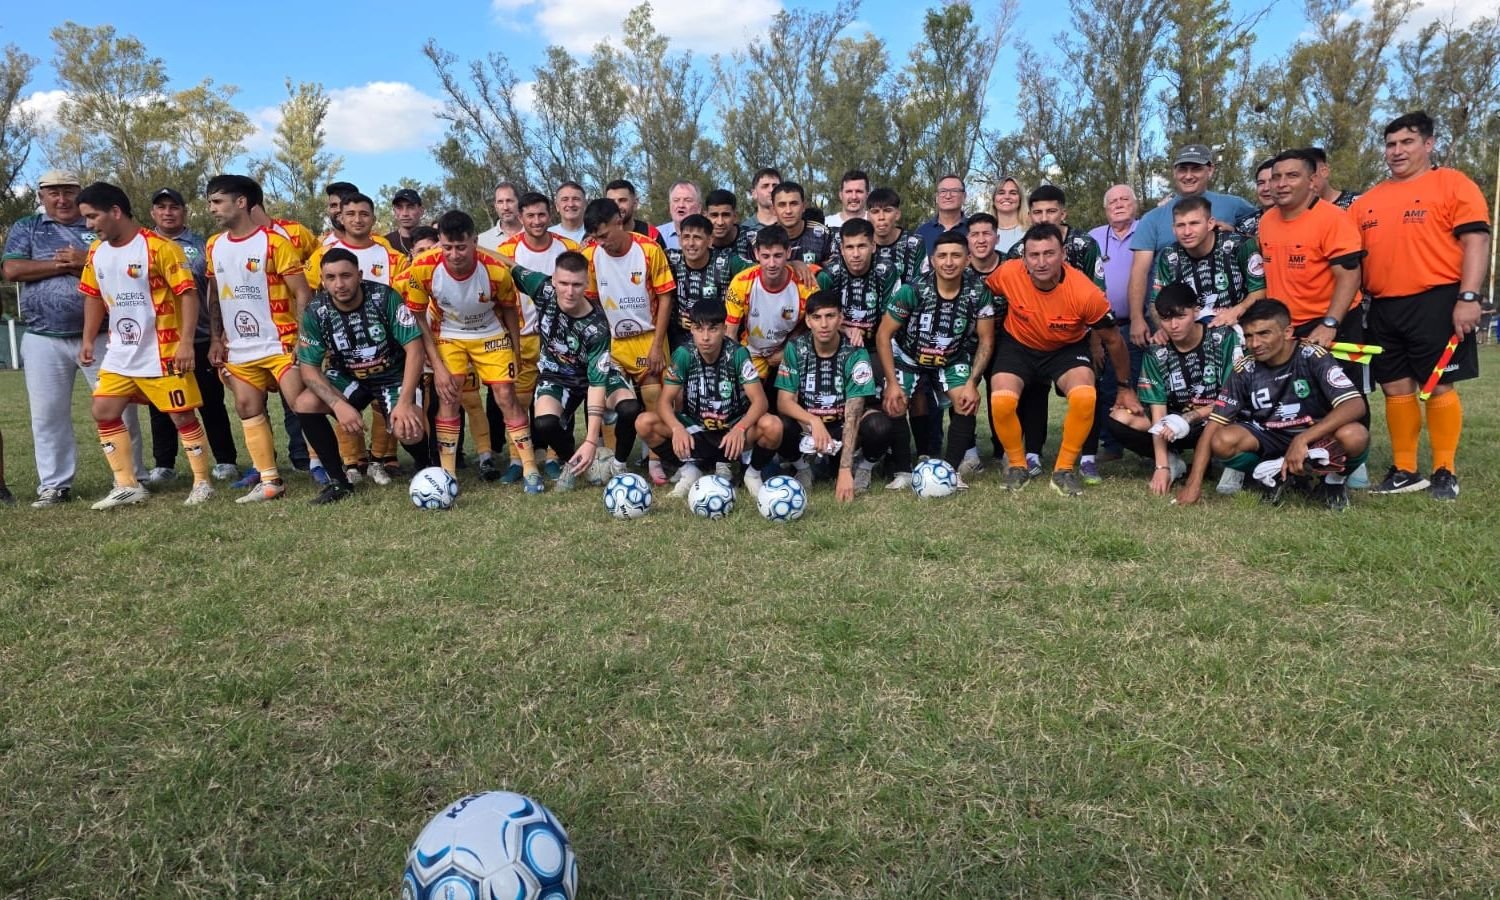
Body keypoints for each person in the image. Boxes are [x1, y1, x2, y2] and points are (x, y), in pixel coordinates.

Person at [1351, 110, 1492, 500]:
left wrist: (1469, 297)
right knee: (1396, 387)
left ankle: (1445, 469)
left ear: (1428, 144)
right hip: (1383, 306)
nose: (1397, 151)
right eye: (1391, 144)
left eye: (1407, 142)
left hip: (1438, 299)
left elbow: (1476, 241)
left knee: (1438, 385)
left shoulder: (1451, 184)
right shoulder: (1369, 201)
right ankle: (1405, 469)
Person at [3, 169, 146, 507]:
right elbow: (12, 270)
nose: (62, 199)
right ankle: (54, 485)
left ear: (80, 194)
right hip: (42, 335)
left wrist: (85, 260)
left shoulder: (97, 223)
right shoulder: (28, 227)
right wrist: (64, 265)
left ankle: (131, 476)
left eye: (68, 191)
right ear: (41, 197)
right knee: (48, 414)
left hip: (102, 334)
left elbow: (127, 262)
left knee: (121, 408)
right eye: (53, 192)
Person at [74, 181, 215, 509]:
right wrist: (87, 338)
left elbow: (188, 294)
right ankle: (127, 485)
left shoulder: (159, 247)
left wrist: (185, 344)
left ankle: (202, 482)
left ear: (116, 212)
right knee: (103, 410)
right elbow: (93, 296)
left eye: (93, 217)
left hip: (162, 351)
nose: (88, 225)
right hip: (120, 351)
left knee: (181, 416)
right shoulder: (96, 252)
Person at [986, 224, 1137, 496]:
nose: (1041, 262)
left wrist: (1125, 387)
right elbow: (980, 292)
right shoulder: (1008, 274)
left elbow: (1114, 340)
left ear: (1063, 254)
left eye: (1049, 253)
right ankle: (1018, 465)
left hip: (1065, 348)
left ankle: (1064, 470)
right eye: (1034, 255)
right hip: (1018, 345)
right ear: (1024, 258)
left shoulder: (1085, 292)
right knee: (1002, 400)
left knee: (1084, 396)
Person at [1175, 299, 1368, 511]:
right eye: (1249, 336)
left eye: (1264, 333)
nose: (1254, 344)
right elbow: (1213, 425)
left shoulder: (1312, 355)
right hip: (1271, 437)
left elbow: (1355, 405)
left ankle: (1333, 482)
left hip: (1314, 436)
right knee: (1221, 440)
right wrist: (1194, 485)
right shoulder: (1245, 368)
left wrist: (1303, 439)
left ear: (1287, 332)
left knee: (1355, 435)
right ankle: (1275, 474)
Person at [403, 211, 541, 492]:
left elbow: (508, 309)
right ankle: (447, 475)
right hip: (449, 335)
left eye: (461, 247)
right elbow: (418, 318)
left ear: (475, 242)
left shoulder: (496, 270)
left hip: (489, 333)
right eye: (447, 247)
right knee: (449, 394)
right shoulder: (422, 268)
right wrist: (438, 367)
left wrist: (515, 348)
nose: (454, 254)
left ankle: (529, 467)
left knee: (505, 395)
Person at [203, 174, 316, 502]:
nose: (212, 209)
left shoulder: (274, 242)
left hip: (280, 342)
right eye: (210, 202)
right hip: (239, 346)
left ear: (241, 202)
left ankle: (327, 466)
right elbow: (214, 295)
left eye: (217, 201)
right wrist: (215, 338)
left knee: (302, 404)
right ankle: (269, 481)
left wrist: (303, 337)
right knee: (246, 405)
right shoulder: (214, 244)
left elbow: (303, 293)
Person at [292, 248, 430, 504]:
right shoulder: (316, 310)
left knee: (407, 428)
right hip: (348, 375)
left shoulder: (384, 297)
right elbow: (309, 367)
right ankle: (339, 482)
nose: (339, 284)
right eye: (331, 278)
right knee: (304, 403)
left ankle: (426, 467)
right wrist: (338, 405)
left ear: (360, 275)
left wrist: (405, 401)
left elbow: (415, 348)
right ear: (322, 280)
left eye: (346, 275)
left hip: (392, 374)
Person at [506, 251, 642, 491]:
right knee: (545, 424)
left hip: (595, 376)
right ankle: (574, 463)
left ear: (587, 283)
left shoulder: (597, 326)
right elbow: (511, 265)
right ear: (554, 281)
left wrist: (591, 439)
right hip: (557, 374)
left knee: (630, 407)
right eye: (564, 283)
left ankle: (619, 466)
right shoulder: (542, 288)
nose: (570, 291)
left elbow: (597, 383)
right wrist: (473, 249)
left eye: (577, 284)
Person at [1002, 185, 1108, 482]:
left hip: (1077, 333)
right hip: (1033, 333)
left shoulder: (1085, 245)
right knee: (1035, 389)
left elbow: (1099, 295)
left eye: (1051, 211)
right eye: (1037, 212)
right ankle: (1033, 452)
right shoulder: (1020, 249)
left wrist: (1096, 341)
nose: (1044, 217)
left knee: (1087, 390)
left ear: (1063, 213)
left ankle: (1086, 457)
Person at [875, 231, 996, 489]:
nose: (949, 262)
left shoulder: (979, 292)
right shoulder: (913, 291)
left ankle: (950, 471)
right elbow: (884, 335)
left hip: (951, 358)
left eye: (956, 255)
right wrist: (891, 383)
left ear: (968, 259)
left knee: (966, 401)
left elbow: (986, 340)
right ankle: (903, 471)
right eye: (942, 256)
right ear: (932, 260)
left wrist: (973, 382)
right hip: (908, 356)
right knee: (895, 402)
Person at [306, 192, 411, 481]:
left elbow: (403, 301)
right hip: (340, 346)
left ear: (373, 218)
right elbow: (310, 299)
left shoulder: (391, 255)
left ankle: (380, 459)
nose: (357, 219)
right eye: (350, 214)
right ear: (340, 217)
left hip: (385, 347)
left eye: (364, 214)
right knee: (338, 397)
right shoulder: (321, 254)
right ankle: (352, 463)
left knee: (384, 400)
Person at [636, 299, 785, 493]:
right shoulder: (684, 354)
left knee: (773, 426)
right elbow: (664, 401)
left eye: (713, 329)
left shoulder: (738, 354)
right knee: (644, 422)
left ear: (724, 329)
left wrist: (740, 428)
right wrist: (677, 428)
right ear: (692, 330)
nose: (705, 337)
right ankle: (688, 471)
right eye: (699, 328)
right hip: (696, 430)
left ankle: (753, 473)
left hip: (732, 431)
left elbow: (760, 401)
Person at [144, 186, 240, 486]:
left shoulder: (201, 246)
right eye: (161, 208)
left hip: (197, 336)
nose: (168, 212)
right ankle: (164, 464)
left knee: (211, 401)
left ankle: (225, 460)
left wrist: (216, 336)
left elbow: (215, 292)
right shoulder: (141, 247)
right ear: (153, 213)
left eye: (174, 207)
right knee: (162, 405)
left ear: (184, 212)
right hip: (157, 341)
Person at [1107, 283, 1240, 495]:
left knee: (1238, 417)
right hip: (1175, 423)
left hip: (1217, 417)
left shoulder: (1223, 338)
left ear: (1196, 311)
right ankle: (1173, 460)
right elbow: (1158, 411)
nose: (1173, 325)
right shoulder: (1157, 349)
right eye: (1166, 318)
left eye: (1180, 316)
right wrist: (1162, 467)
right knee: (1119, 418)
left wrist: (1192, 417)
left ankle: (1233, 464)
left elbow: (1233, 399)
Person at [581, 198, 677, 482]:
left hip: (648, 338)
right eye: (595, 238)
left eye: (605, 235)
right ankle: (613, 459)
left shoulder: (648, 249)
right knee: (615, 403)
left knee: (653, 398)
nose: (602, 243)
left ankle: (655, 460)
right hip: (613, 342)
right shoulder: (590, 255)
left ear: (619, 222)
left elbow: (665, 296)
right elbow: (592, 302)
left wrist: (658, 345)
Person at [1127, 144, 1256, 346]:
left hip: (1230, 323)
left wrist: (1238, 232)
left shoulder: (1235, 205)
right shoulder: (1152, 218)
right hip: (1174, 322)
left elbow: (1265, 240)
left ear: (1210, 170)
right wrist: (1137, 318)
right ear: (1174, 172)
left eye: (1196, 168)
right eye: (1182, 169)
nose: (1188, 176)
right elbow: (1139, 272)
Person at [494, 192, 581, 482]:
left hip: (558, 340)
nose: (536, 221)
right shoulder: (507, 250)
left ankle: (554, 457)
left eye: (542, 215)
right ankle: (518, 460)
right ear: (521, 217)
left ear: (550, 215)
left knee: (556, 400)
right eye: (530, 216)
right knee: (516, 400)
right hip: (521, 337)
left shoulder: (567, 248)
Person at [775, 290, 895, 500]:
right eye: (817, 317)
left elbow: (854, 411)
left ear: (840, 319)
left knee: (879, 425)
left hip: (843, 426)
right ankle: (803, 468)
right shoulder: (795, 348)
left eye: (830, 316)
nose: (824, 324)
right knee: (781, 425)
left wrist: (844, 470)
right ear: (808, 321)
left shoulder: (856, 352)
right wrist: (814, 421)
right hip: (809, 428)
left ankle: (863, 467)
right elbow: (784, 402)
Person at [724, 224, 830, 394]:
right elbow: (730, 334)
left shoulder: (806, 285)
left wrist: (789, 350)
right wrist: (738, 368)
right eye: (765, 256)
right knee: (744, 399)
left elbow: (819, 328)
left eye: (778, 256)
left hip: (791, 350)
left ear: (788, 253)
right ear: (757, 254)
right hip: (752, 351)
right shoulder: (741, 282)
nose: (771, 263)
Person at [1150, 195, 1265, 327]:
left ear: (1210, 223)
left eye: (1194, 223)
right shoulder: (1169, 256)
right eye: (1180, 225)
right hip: (1193, 336)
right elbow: (1156, 301)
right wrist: (1163, 329)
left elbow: (1260, 290)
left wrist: (1236, 311)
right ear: (1173, 229)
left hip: (1239, 329)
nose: (1187, 232)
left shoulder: (1239, 245)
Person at [1089, 183, 1142, 457]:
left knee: (1142, 382)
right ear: (1106, 209)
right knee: (1109, 385)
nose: (1119, 204)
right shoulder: (1094, 237)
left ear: (1135, 204)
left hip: (1141, 323)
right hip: (1104, 324)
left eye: (1125, 199)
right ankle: (1111, 445)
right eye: (1113, 201)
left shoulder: (1147, 231)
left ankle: (1153, 440)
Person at [665, 213, 750, 350]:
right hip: (681, 340)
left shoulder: (727, 261)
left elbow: (761, 270)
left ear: (710, 240)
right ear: (680, 240)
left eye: (697, 237)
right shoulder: (670, 258)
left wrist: (792, 264)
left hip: (719, 340)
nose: (691, 243)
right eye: (686, 237)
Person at [819, 218, 901, 345]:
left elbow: (889, 321)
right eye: (850, 247)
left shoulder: (887, 271)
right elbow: (819, 320)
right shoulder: (828, 275)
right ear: (842, 249)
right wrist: (845, 329)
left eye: (861, 246)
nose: (856, 254)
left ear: (873, 246)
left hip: (877, 343)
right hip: (837, 341)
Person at [866, 187, 928, 283]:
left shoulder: (915, 243)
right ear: (868, 216)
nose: (881, 217)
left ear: (897, 214)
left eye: (887, 210)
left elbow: (923, 281)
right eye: (875, 212)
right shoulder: (862, 244)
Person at [764, 182, 834, 264]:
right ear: (773, 210)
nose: (788, 211)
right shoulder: (763, 238)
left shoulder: (823, 235)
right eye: (782, 205)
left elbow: (833, 270)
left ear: (803, 206)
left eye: (794, 204)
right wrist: (792, 266)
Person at [604, 179, 666, 249]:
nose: (616, 206)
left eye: (622, 200)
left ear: (635, 203)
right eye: (611, 202)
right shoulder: (597, 237)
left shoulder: (651, 235)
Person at [916, 174, 969, 254]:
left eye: (954, 191)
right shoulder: (922, 233)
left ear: (964, 196)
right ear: (936, 197)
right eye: (943, 191)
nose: (948, 196)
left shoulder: (974, 230)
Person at [1234, 158, 1277, 236]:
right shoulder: (1244, 225)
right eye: (1261, 183)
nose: (1266, 188)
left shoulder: (1302, 220)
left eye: (1272, 181)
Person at [656, 181, 702, 251]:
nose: (681, 205)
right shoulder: (656, 235)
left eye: (688, 200)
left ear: (699, 208)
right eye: (676, 200)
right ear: (670, 207)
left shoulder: (710, 235)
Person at [477, 182, 523, 249]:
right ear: (495, 206)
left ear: (519, 202)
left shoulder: (537, 235)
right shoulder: (482, 242)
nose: (505, 207)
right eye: (500, 202)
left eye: (509, 201)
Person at [990, 177, 1029, 254]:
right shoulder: (984, 233)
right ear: (994, 200)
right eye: (1001, 193)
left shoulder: (1030, 231)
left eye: (1013, 193)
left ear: (1020, 199)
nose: (1007, 197)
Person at [740, 167, 781, 235]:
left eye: (775, 186)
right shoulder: (744, 230)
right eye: (765, 186)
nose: (771, 190)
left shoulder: (791, 224)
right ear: (754, 193)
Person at [386, 188, 425, 256]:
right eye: (399, 207)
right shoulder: (385, 243)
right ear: (394, 212)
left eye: (410, 207)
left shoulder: (434, 240)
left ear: (421, 211)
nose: (405, 213)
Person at [319, 181, 359, 246]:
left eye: (345, 204)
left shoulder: (378, 244)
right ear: (328, 209)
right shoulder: (321, 245)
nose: (339, 210)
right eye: (333, 205)